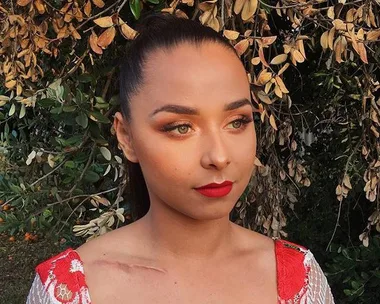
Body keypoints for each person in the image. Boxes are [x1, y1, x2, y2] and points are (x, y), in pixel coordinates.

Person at [26, 14, 334, 304]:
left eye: (237, 122)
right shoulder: (67, 291)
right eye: (181, 127)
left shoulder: (300, 280)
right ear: (126, 137)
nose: (219, 156)